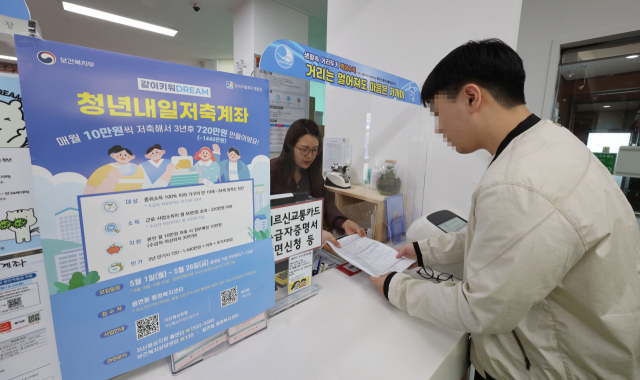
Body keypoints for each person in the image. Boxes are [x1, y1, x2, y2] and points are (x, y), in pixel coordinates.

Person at [369, 39, 640, 379]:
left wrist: (395, 287)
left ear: (471, 97)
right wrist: (422, 251)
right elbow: (496, 238)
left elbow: (479, 309)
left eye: (438, 115)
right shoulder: (551, 145)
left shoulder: (517, 182)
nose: (439, 130)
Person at [271, 119, 366, 246]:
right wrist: (314, 232)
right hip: (281, 245)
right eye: (304, 149)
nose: (309, 156)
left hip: (309, 246)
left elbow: (326, 204)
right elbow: (274, 216)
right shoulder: (272, 171)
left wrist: (343, 222)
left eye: (315, 150)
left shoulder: (313, 173)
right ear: (290, 146)